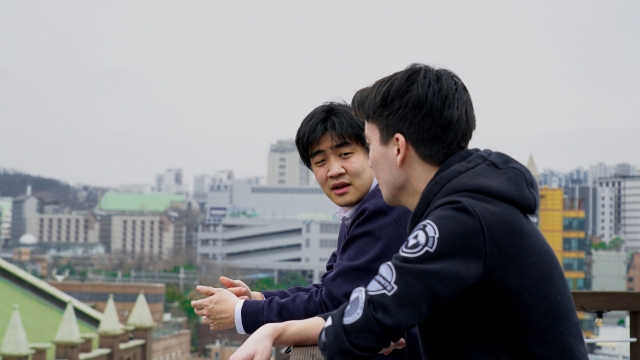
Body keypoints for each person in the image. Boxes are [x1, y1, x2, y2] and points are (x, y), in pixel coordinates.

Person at [229, 64, 589, 360]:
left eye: (368, 145)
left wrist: (273, 330)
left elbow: (366, 317)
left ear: (397, 148)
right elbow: (382, 310)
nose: (367, 160)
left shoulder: (459, 221)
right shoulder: (473, 208)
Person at [191, 102, 419, 359]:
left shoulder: (384, 211)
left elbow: (333, 304)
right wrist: (256, 297)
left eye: (345, 154)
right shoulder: (362, 209)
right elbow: (328, 290)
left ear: (370, 152)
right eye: (320, 161)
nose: (334, 170)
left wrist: (241, 312)